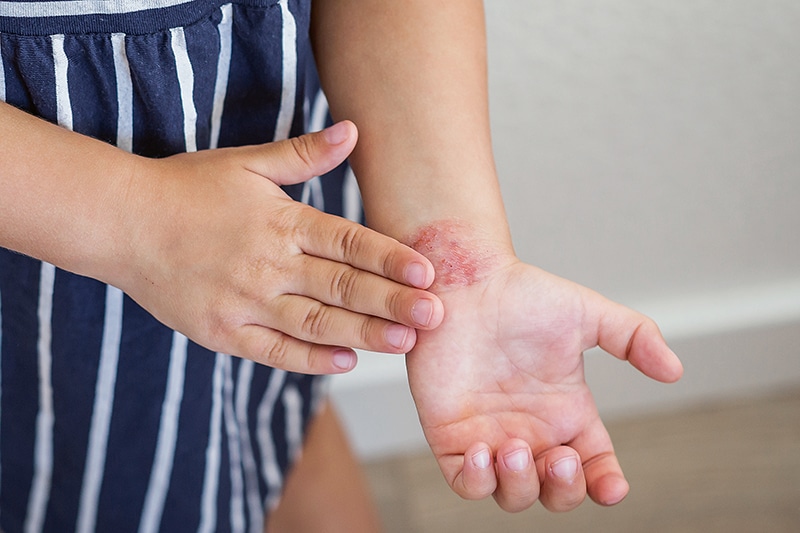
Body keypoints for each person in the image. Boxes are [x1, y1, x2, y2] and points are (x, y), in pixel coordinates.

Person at [0, 0, 683, 531]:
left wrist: (460, 262)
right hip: (35, 242)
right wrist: (134, 219)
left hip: (241, 212)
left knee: (241, 418)